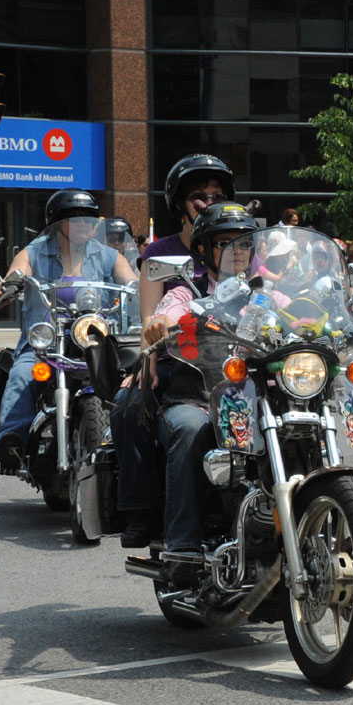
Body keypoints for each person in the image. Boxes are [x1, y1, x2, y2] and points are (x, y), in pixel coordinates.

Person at [112, 154, 235, 547]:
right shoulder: (162, 254)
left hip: (237, 365)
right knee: (128, 403)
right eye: (199, 195)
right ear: (180, 203)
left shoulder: (245, 251)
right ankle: (140, 510)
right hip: (175, 359)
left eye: (216, 194)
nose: (208, 201)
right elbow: (153, 316)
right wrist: (146, 357)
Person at [139, 201, 259, 580]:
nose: (237, 252)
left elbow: (305, 316)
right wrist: (158, 324)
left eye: (243, 244)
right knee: (191, 429)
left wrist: (338, 332)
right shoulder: (187, 292)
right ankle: (183, 546)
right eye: (226, 243)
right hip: (196, 398)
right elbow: (166, 313)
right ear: (205, 249)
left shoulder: (265, 294)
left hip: (257, 401)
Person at [0, 190, 138, 474]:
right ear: (57, 223)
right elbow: (14, 276)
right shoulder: (33, 252)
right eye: (77, 220)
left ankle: (134, 452)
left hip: (93, 338)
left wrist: (143, 290)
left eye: (91, 220)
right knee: (22, 375)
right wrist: (3, 289)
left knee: (131, 380)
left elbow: (133, 283)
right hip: (47, 339)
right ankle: (11, 441)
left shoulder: (109, 256)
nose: (86, 226)